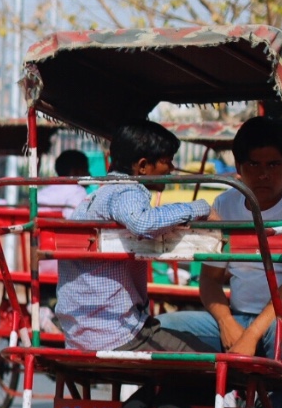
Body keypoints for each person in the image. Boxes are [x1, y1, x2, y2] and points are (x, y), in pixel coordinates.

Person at [156, 115, 282, 369]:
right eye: (253, 164)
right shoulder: (224, 205)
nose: (263, 175)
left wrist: (251, 336)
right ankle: (177, 405)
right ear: (238, 167)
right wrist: (227, 323)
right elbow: (209, 278)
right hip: (240, 318)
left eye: (273, 165)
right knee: (163, 327)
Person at [51, 121, 212, 355]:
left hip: (78, 333)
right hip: (115, 332)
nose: (172, 169)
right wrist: (200, 208)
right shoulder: (126, 190)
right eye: (167, 161)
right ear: (143, 166)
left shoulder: (97, 194)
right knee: (208, 360)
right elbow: (143, 222)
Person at [36, 149, 94, 215]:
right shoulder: (78, 191)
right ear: (75, 172)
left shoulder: (43, 192)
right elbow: (75, 220)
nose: (90, 174)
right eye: (86, 170)